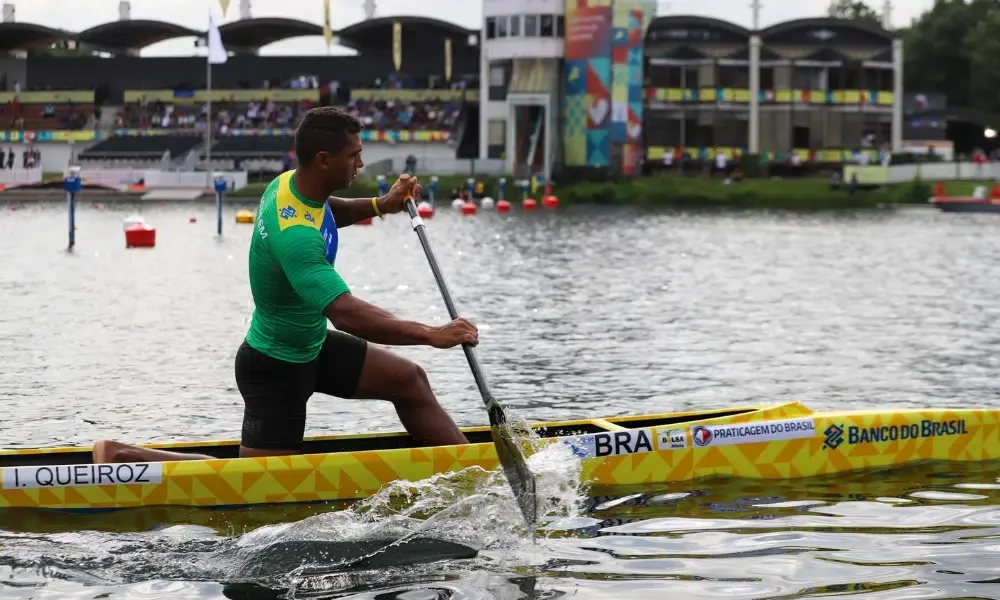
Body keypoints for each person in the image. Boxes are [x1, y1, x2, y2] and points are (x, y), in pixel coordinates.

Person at [93, 107, 477, 464]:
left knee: (409, 380)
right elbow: (345, 313)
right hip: (274, 366)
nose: (361, 163)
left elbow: (329, 210)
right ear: (324, 160)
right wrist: (431, 334)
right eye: (354, 155)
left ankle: (476, 472)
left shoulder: (290, 186)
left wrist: (381, 204)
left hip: (310, 344)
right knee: (251, 487)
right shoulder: (296, 236)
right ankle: (122, 456)